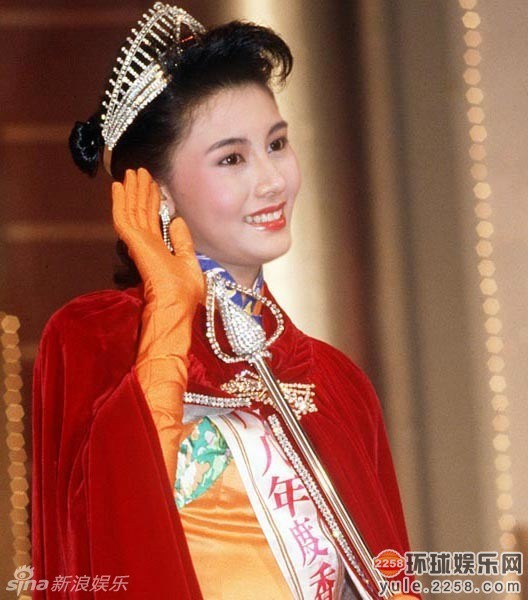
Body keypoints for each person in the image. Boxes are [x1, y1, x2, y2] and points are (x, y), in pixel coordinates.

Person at [31, 4, 419, 599]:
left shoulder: (338, 382)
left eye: (277, 144)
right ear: (156, 192)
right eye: (232, 158)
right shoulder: (94, 339)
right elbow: (103, 533)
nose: (273, 180)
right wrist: (169, 311)